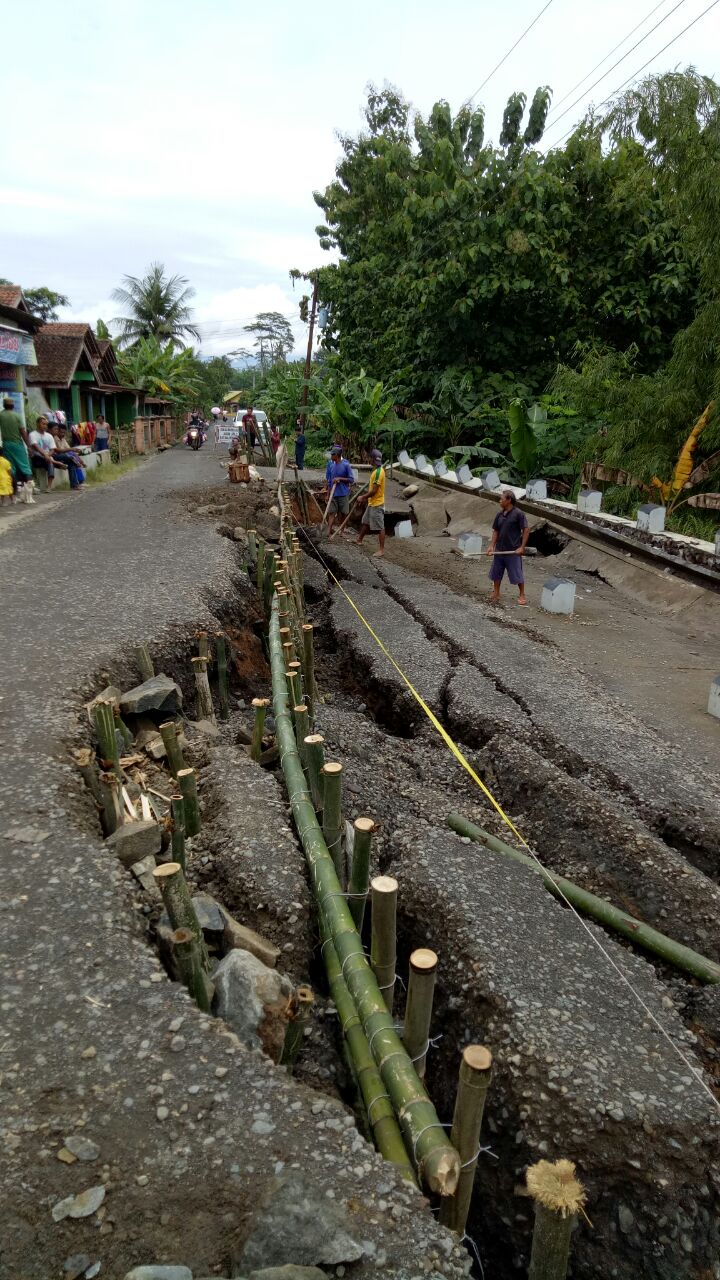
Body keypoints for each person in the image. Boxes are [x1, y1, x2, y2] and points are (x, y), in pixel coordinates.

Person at [486, 490, 530, 605]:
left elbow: (526, 529)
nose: (500, 501)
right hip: (499, 549)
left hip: (513, 551)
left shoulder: (518, 514)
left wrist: (522, 547)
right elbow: (496, 530)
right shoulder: (499, 515)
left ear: (509, 500)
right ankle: (496, 592)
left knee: (517, 574)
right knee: (496, 572)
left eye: (502, 499)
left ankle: (522, 594)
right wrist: (491, 546)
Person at [355, 448, 386, 557]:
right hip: (372, 502)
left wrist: (362, 497)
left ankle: (381, 550)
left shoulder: (378, 473)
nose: (370, 461)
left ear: (372, 459)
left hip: (377, 504)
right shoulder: (376, 470)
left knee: (380, 526)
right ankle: (359, 540)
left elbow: (374, 491)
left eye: (370, 459)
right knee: (366, 521)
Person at [0, 396, 33, 488]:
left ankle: (14, 491)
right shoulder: (17, 416)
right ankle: (30, 488)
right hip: (17, 444)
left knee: (12, 468)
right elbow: (23, 432)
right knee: (25, 466)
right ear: (13, 405)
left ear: (4, 405)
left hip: (6, 444)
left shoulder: (1, 415)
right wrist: (29, 446)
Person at [323, 443, 355, 536]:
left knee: (344, 513)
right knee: (331, 513)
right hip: (333, 494)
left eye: (332, 454)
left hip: (343, 493)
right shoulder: (331, 465)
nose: (331, 456)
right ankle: (328, 532)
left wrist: (340, 479)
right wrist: (328, 494)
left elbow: (351, 480)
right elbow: (330, 481)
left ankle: (341, 530)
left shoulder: (346, 465)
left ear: (337, 455)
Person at [29, 416, 68, 491]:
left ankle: (49, 487)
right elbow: (36, 447)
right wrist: (46, 455)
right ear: (37, 424)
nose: (45, 426)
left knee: (50, 463)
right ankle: (57, 463)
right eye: (43, 424)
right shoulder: (32, 434)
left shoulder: (49, 436)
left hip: (47, 458)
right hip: (37, 458)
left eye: (46, 424)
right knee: (38, 454)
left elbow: (52, 449)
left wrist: (48, 455)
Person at [51, 423, 86, 490]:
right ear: (57, 431)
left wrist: (77, 456)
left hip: (65, 457)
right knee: (72, 459)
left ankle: (75, 485)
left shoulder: (63, 439)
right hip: (56, 457)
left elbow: (69, 450)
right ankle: (77, 483)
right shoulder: (54, 438)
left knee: (72, 462)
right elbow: (58, 451)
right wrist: (72, 451)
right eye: (61, 432)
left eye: (64, 432)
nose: (63, 434)